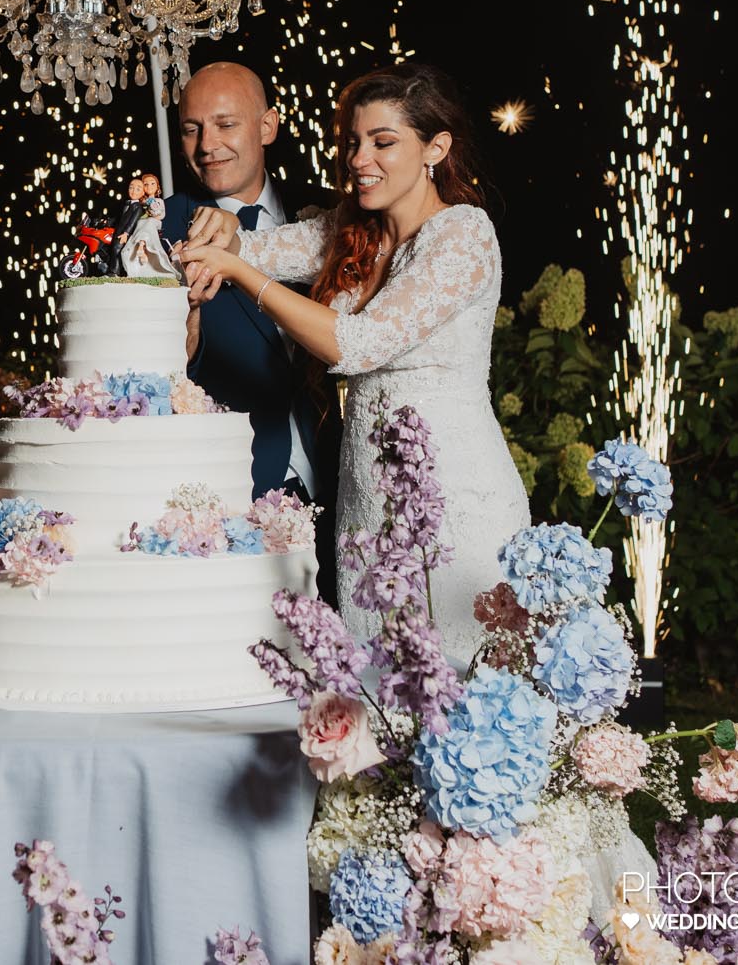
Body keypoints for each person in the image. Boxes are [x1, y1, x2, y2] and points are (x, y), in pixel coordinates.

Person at [172, 62, 528, 663]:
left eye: (384, 142)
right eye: (353, 142)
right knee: (380, 705)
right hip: (366, 501)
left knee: (469, 693)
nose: (360, 159)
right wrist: (218, 231)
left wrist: (241, 273)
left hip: (453, 498)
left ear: (435, 148)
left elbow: (358, 343)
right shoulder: (351, 229)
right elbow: (254, 245)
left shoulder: (463, 234)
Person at [161, 62, 341, 597]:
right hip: (231, 496)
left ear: (267, 127)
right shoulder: (159, 227)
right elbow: (156, 372)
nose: (207, 144)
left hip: (342, 484)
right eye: (191, 129)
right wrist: (187, 312)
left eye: (224, 125)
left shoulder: (329, 214)